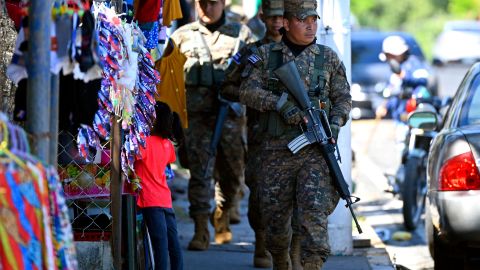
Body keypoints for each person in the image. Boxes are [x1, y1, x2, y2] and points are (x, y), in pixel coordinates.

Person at [238, 0, 352, 268]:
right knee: (275, 219)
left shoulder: (328, 58)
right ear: (286, 23)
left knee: (314, 212)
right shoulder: (266, 56)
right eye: (303, 20)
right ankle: (280, 258)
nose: (311, 25)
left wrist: (334, 123)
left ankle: (311, 263)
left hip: (315, 152)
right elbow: (246, 91)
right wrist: (281, 105)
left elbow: (343, 98)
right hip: (275, 152)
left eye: (314, 19)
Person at [170, 0, 255, 251]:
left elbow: (255, 73)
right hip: (196, 120)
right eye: (202, 3)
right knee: (200, 172)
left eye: (213, 2)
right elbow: (169, 78)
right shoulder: (181, 37)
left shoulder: (241, 34)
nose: (207, 7)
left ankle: (223, 211)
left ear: (224, 3)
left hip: (230, 119)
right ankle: (200, 230)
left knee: (232, 175)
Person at [221, 0, 287, 268]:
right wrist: (258, 97)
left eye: (282, 18)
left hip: (294, 137)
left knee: (292, 196)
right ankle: (261, 244)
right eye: (272, 18)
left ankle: (286, 252)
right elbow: (227, 86)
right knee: (259, 194)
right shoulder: (252, 52)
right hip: (261, 137)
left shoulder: (302, 52)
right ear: (262, 17)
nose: (277, 23)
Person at [134, 102, 184, 270]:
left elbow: (132, 158)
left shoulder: (144, 143)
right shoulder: (167, 144)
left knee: (159, 244)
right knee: (173, 242)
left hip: (149, 200)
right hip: (165, 200)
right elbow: (169, 159)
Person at [376, 35, 430, 121]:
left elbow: (423, 81)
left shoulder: (413, 64)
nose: (389, 59)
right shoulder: (397, 68)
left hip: (412, 115)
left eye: (390, 55)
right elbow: (393, 91)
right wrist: (384, 106)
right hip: (399, 116)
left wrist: (404, 76)